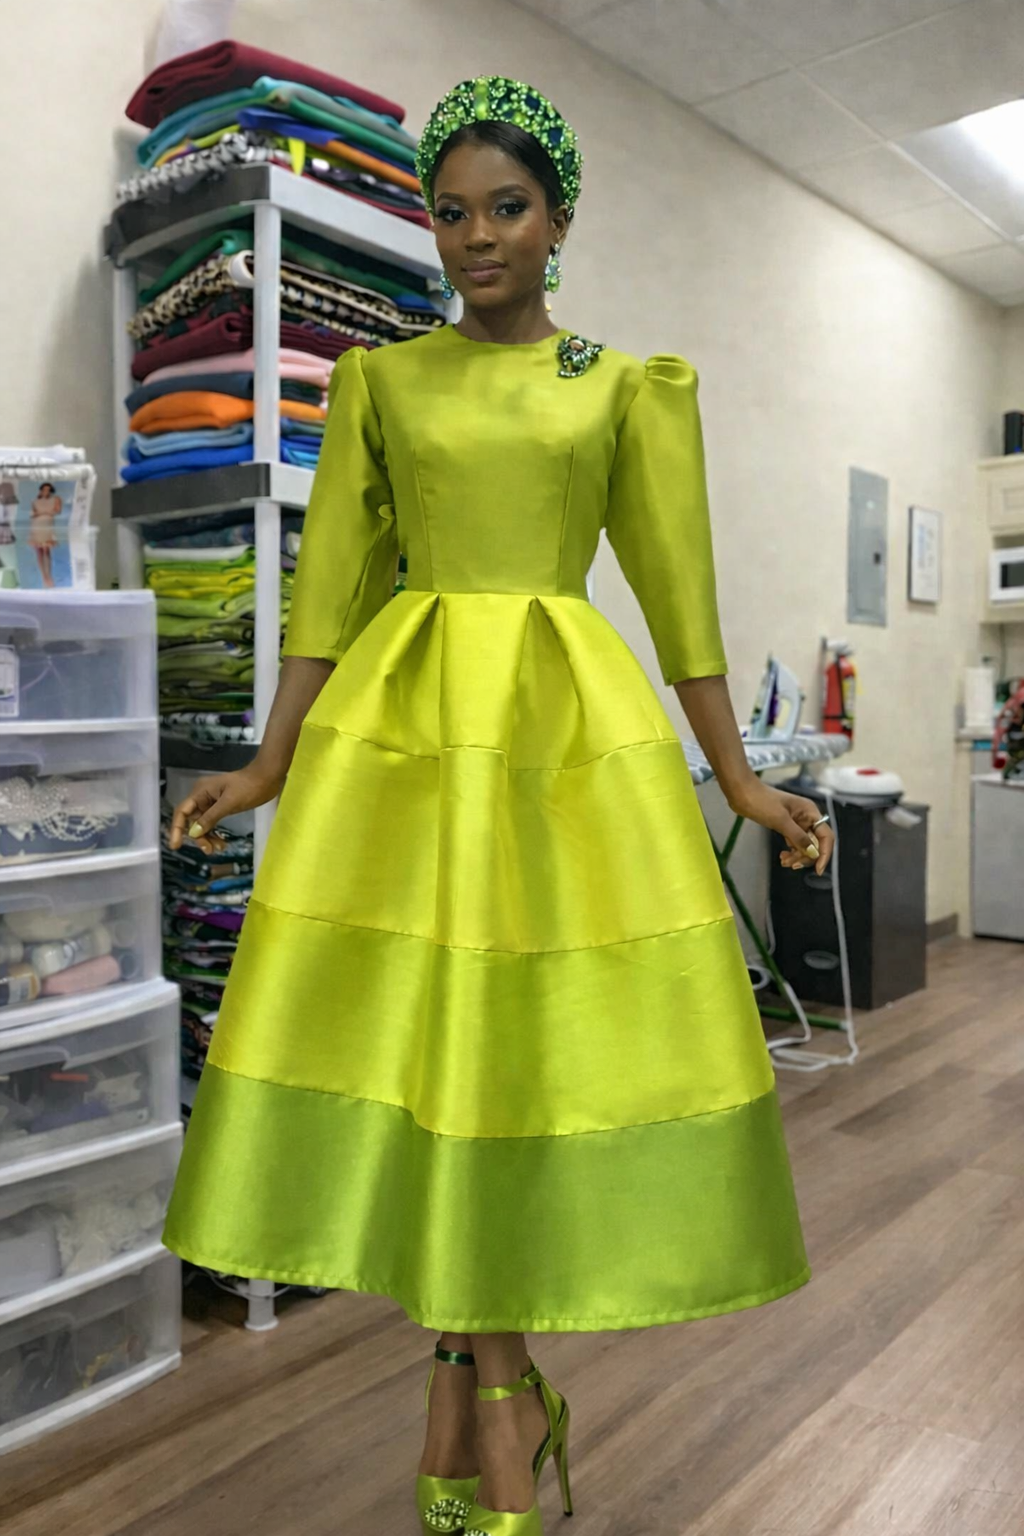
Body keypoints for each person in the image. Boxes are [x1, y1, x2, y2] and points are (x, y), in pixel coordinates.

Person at [162, 75, 834, 1536]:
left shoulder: (622, 386)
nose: (476, 237)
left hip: (557, 735)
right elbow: (331, 591)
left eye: (507, 208)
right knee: (436, 1056)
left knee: (526, 1057)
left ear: (559, 219)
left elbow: (679, 600)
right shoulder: (382, 382)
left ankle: (473, 1388)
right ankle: (492, 1392)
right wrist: (271, 762)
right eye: (452, 211)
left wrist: (738, 777)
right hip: (408, 737)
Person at [28, 481, 62, 588]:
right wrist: (44, 512)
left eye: (48, 489)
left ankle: (49, 576)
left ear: (51, 490)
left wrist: (42, 513)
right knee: (39, 551)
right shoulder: (35, 501)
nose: (46, 491)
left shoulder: (56, 499)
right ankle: (44, 577)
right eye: (44, 489)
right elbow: (32, 514)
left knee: (47, 550)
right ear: (41, 490)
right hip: (36, 526)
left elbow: (57, 511)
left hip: (47, 526)